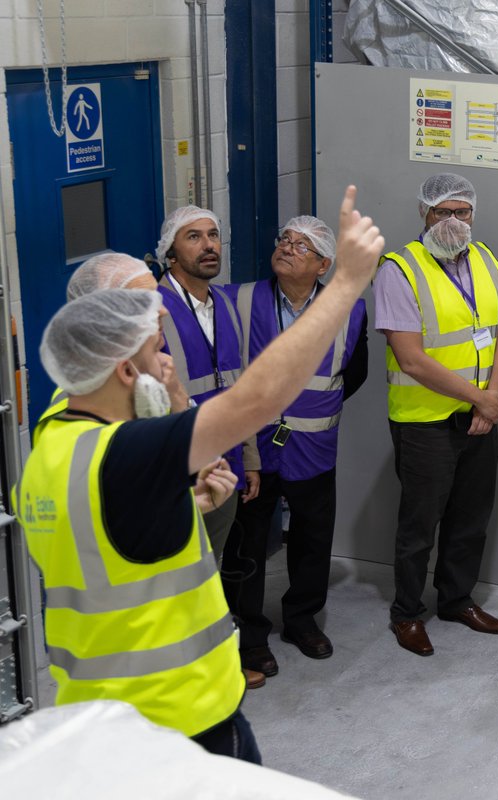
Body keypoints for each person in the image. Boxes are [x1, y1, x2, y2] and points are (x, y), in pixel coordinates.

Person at [15, 185, 384, 761]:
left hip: (100, 712)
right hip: (174, 719)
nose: (167, 340)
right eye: (154, 332)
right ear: (120, 366)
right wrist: (345, 284)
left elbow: (113, 543)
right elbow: (258, 399)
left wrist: (185, 507)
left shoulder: (53, 440)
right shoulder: (129, 453)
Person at [376, 174, 498, 657]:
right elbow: (411, 358)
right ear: (423, 213)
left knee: (470, 519)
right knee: (419, 527)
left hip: (480, 417)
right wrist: (481, 400)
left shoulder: (486, 258)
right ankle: (407, 614)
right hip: (424, 422)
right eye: (442, 212)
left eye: (463, 211)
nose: (454, 221)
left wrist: (491, 397)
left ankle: (456, 599)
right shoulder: (399, 270)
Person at [226, 215, 368, 677]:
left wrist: (309, 404)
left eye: (301, 245)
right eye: (284, 238)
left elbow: (355, 373)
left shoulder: (348, 309)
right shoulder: (240, 299)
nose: (287, 247)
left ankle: (301, 621)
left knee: (311, 538)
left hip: (314, 444)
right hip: (253, 447)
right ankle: (249, 635)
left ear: (324, 263)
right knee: (246, 542)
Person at [155, 206, 248, 570]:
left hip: (225, 464)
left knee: (210, 567)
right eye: (193, 237)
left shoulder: (224, 302)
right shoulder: (153, 309)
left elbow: (240, 390)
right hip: (176, 469)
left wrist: (250, 460)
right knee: (174, 572)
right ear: (171, 252)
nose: (208, 245)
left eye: (213, 235)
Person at [35, 253, 189, 443]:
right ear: (105, 321)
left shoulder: (149, 384)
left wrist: (177, 398)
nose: (163, 311)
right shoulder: (72, 421)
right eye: (142, 303)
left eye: (157, 298)